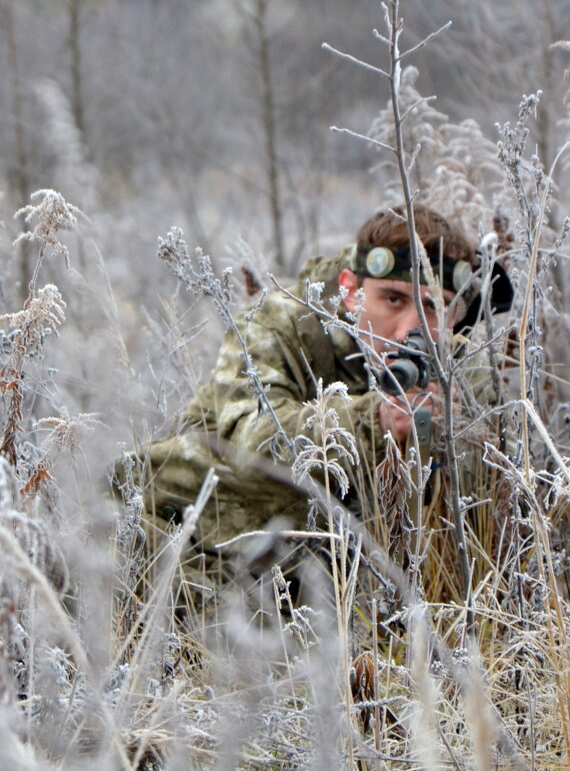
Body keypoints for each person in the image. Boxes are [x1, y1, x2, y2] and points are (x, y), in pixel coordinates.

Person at [116, 204, 513, 589]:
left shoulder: (466, 373)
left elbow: (479, 512)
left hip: (327, 573)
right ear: (350, 290)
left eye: (433, 307)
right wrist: (370, 422)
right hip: (188, 525)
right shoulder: (283, 322)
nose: (410, 328)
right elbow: (251, 441)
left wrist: (448, 437)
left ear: (458, 313)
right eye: (393, 299)